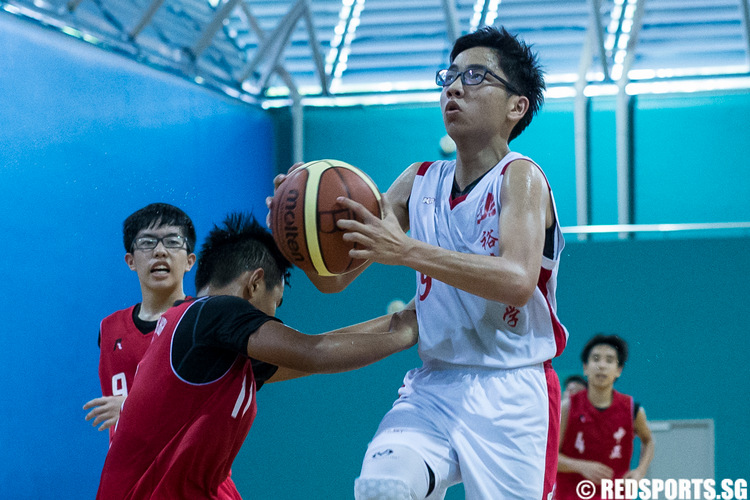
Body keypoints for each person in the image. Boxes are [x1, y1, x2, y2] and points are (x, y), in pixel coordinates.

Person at [269, 25, 567, 499]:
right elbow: (335, 282)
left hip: (514, 393)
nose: (453, 87)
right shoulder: (417, 180)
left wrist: (407, 250)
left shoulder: (521, 178)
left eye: (474, 76)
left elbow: (516, 280)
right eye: (449, 76)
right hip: (435, 385)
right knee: (383, 487)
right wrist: (299, 233)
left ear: (517, 106)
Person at [96, 213, 418, 499]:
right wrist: (402, 336)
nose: (273, 315)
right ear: (255, 283)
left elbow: (314, 350)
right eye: (275, 303)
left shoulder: (207, 338)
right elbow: (314, 352)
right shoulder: (215, 312)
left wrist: (402, 317)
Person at [83, 203, 197, 438]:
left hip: (187, 472)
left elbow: (207, 405)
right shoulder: (109, 328)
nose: (160, 251)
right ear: (130, 260)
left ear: (190, 260)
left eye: (173, 241)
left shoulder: (202, 320)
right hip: (129, 472)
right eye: (147, 242)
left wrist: (130, 408)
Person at [555, 334, 655, 500]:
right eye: (596, 359)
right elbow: (549, 457)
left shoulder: (632, 409)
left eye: (609, 360)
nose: (602, 365)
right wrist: (579, 466)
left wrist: (640, 471)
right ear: (585, 367)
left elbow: (649, 441)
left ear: (619, 370)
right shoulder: (567, 408)